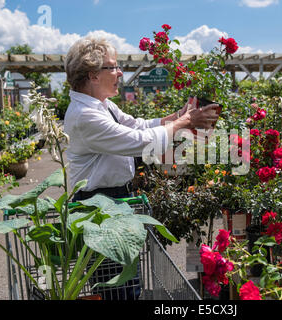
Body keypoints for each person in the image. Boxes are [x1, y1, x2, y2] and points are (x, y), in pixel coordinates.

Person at [63, 36, 219, 299]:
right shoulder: (85, 115)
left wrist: (178, 116)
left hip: (113, 202)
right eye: (112, 67)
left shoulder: (101, 105)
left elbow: (137, 125)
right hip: (98, 207)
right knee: (117, 286)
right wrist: (183, 123)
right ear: (92, 75)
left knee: (125, 280)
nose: (120, 72)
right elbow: (141, 142)